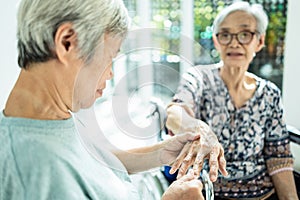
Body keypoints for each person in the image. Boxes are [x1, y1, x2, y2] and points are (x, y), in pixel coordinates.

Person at [0, 0, 229, 199]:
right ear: (67, 43)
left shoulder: (55, 114)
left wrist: (161, 153)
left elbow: (94, 162)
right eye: (110, 57)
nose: (110, 74)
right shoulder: (35, 171)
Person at [166, 1, 298, 200]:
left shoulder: (269, 94)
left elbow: (278, 159)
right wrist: (199, 128)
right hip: (207, 192)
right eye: (225, 35)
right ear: (217, 41)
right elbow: (175, 113)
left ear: (259, 42)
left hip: (261, 194)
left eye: (245, 34)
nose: (234, 43)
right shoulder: (199, 78)